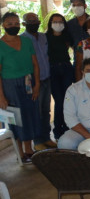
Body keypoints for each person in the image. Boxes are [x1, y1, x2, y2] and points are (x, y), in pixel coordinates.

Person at [0, 12, 41, 163]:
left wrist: (37, 85)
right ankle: (20, 153)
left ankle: (29, 150)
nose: (14, 26)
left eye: (16, 23)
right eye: (10, 24)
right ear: (3, 25)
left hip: (28, 82)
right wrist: (1, 96)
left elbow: (36, 65)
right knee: (15, 118)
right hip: (9, 85)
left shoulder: (26, 41)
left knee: (29, 113)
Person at [22, 12, 55, 150]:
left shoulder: (43, 37)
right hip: (35, 82)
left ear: (39, 22)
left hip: (47, 79)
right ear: (24, 24)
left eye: (35, 20)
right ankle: (38, 142)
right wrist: (33, 84)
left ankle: (46, 138)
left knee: (46, 111)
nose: (33, 23)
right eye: (29, 21)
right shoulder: (22, 40)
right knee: (36, 112)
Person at [46, 13, 74, 140]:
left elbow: (76, 49)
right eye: (55, 21)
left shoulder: (67, 36)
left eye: (60, 21)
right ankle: (58, 130)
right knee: (59, 100)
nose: (58, 24)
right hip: (52, 70)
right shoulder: (45, 37)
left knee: (68, 99)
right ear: (50, 24)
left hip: (67, 68)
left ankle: (68, 127)